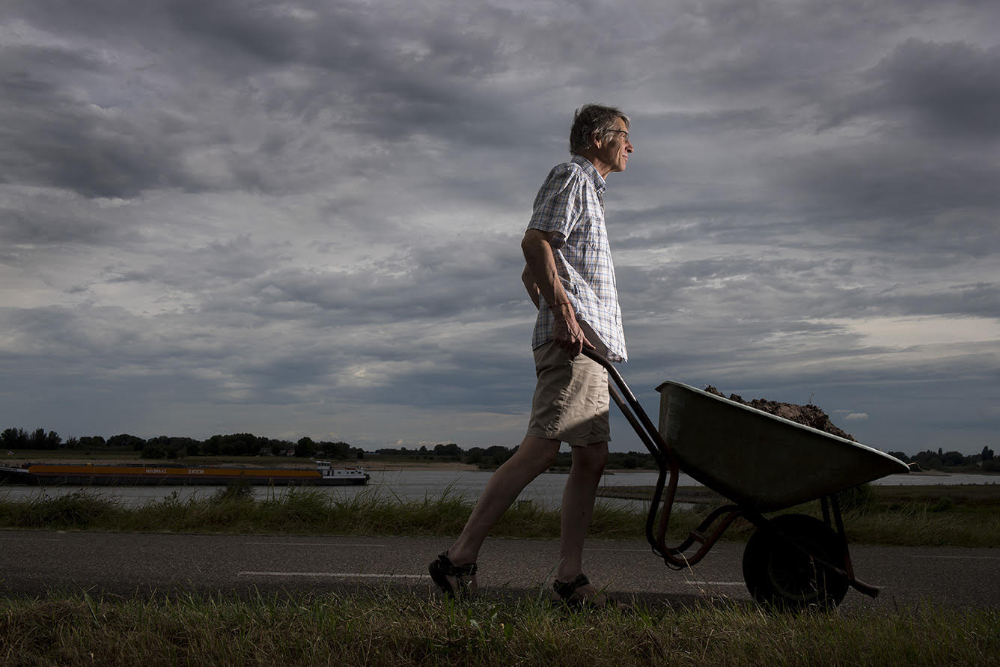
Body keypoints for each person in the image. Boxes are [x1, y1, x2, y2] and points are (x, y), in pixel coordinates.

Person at [429, 104, 633, 608]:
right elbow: (534, 244)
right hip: (575, 340)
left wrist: (560, 313)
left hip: (588, 344)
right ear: (596, 137)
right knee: (542, 450)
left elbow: (532, 275)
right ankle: (457, 560)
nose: (631, 146)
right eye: (625, 136)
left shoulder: (592, 194)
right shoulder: (572, 176)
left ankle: (568, 577)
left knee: (592, 457)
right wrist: (563, 316)